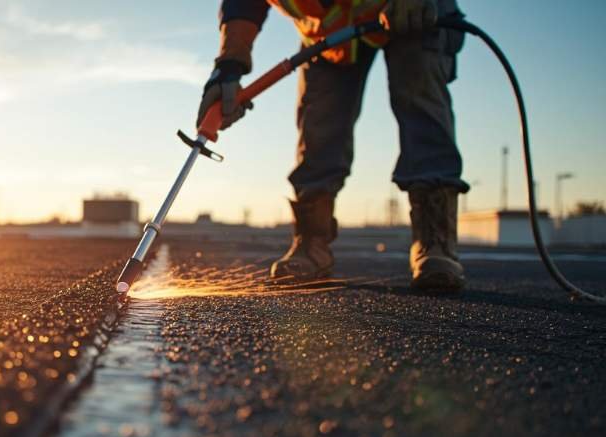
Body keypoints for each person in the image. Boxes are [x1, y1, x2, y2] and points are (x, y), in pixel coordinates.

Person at [199, 0, 468, 291]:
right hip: (329, 34)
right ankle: (312, 241)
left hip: (411, 11)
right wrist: (229, 65)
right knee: (319, 122)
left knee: (420, 88)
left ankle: (435, 242)